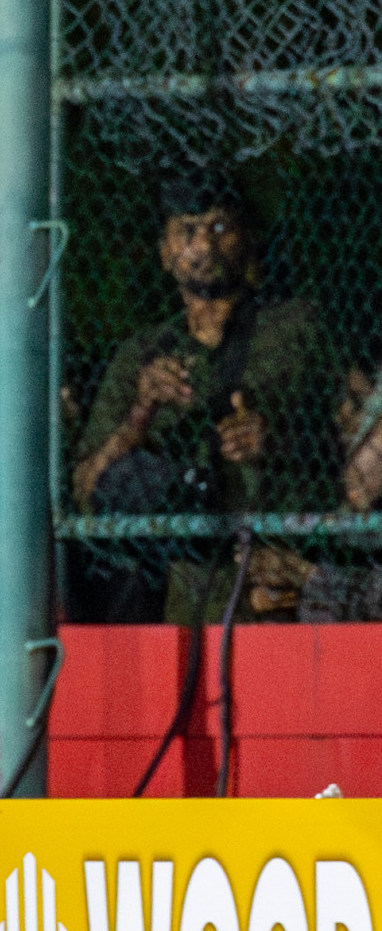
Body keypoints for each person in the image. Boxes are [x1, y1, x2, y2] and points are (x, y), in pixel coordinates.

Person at [71, 173, 337, 621]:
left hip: (284, 576)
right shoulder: (141, 354)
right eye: (187, 230)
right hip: (187, 599)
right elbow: (86, 488)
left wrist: (280, 443)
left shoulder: (296, 328)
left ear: (248, 243)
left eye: (219, 227)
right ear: (165, 253)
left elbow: (352, 440)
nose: (204, 244)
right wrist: (141, 412)